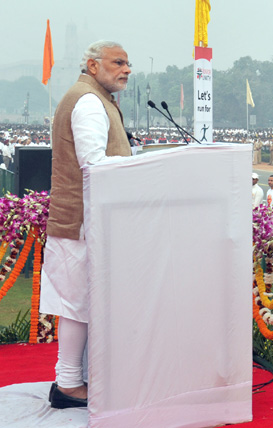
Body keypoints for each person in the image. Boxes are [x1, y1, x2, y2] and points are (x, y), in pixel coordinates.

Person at [40, 40, 133, 409]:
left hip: (86, 220)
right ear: (93, 66)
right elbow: (93, 162)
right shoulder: (89, 101)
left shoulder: (94, 98)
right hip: (81, 221)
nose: (126, 69)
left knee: (79, 304)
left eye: (128, 63)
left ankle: (77, 380)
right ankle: (67, 385)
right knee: (77, 305)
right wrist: (138, 167)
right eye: (118, 62)